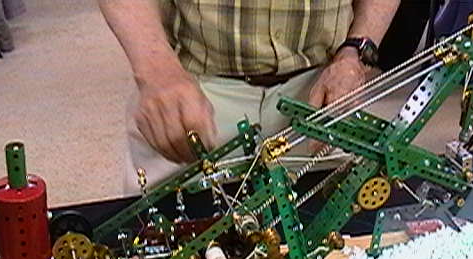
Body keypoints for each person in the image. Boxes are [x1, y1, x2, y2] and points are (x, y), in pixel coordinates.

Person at [99, 0, 400, 194]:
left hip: (322, 94)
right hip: (192, 97)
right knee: (163, 253)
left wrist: (356, 50)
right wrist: (155, 68)